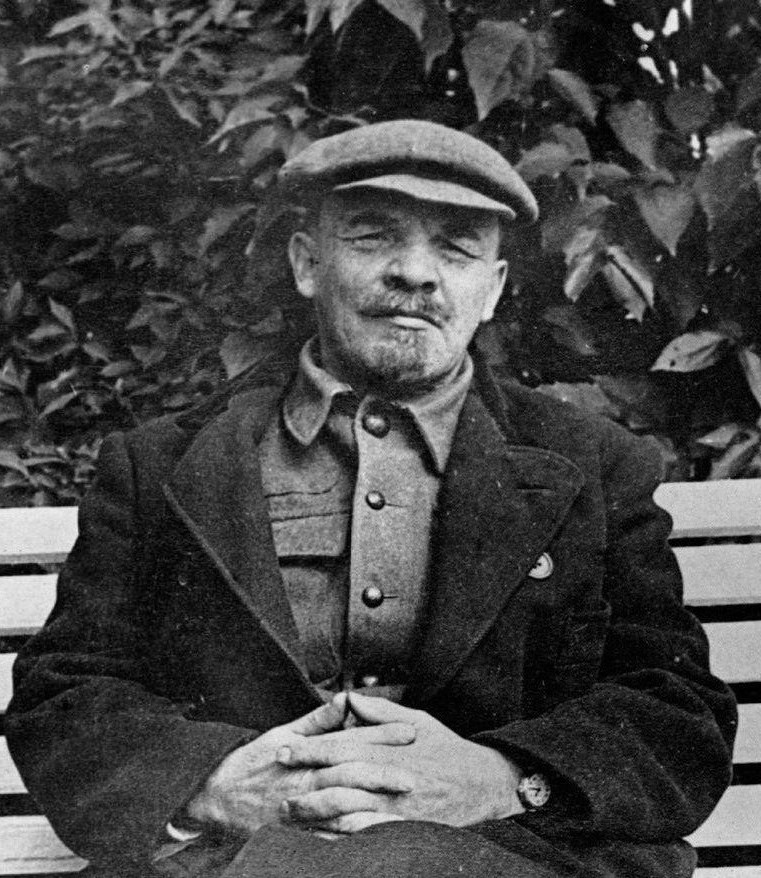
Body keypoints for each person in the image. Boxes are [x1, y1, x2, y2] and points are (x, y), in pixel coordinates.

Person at [6, 120, 736, 878]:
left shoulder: (592, 464)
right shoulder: (161, 463)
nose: (414, 273)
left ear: (491, 291)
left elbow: (675, 707)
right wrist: (212, 786)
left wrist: (502, 780)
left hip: (509, 858)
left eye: (455, 249)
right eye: (372, 237)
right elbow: (66, 693)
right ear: (306, 264)